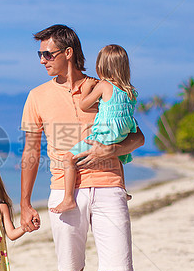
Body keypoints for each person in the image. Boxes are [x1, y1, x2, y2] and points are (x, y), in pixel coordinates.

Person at [19, 24, 144, 271]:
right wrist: (25, 203)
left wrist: (111, 148)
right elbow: (31, 151)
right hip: (63, 190)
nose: (42, 60)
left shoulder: (102, 86)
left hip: (109, 184)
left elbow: (139, 137)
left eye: (48, 53)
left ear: (68, 53)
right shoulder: (37, 96)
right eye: (40, 54)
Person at [50, 44, 138, 214]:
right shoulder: (130, 91)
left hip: (105, 134)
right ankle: (123, 190)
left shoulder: (104, 85)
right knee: (117, 157)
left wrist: (88, 86)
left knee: (68, 158)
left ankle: (68, 199)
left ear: (101, 66)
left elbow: (84, 105)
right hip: (123, 133)